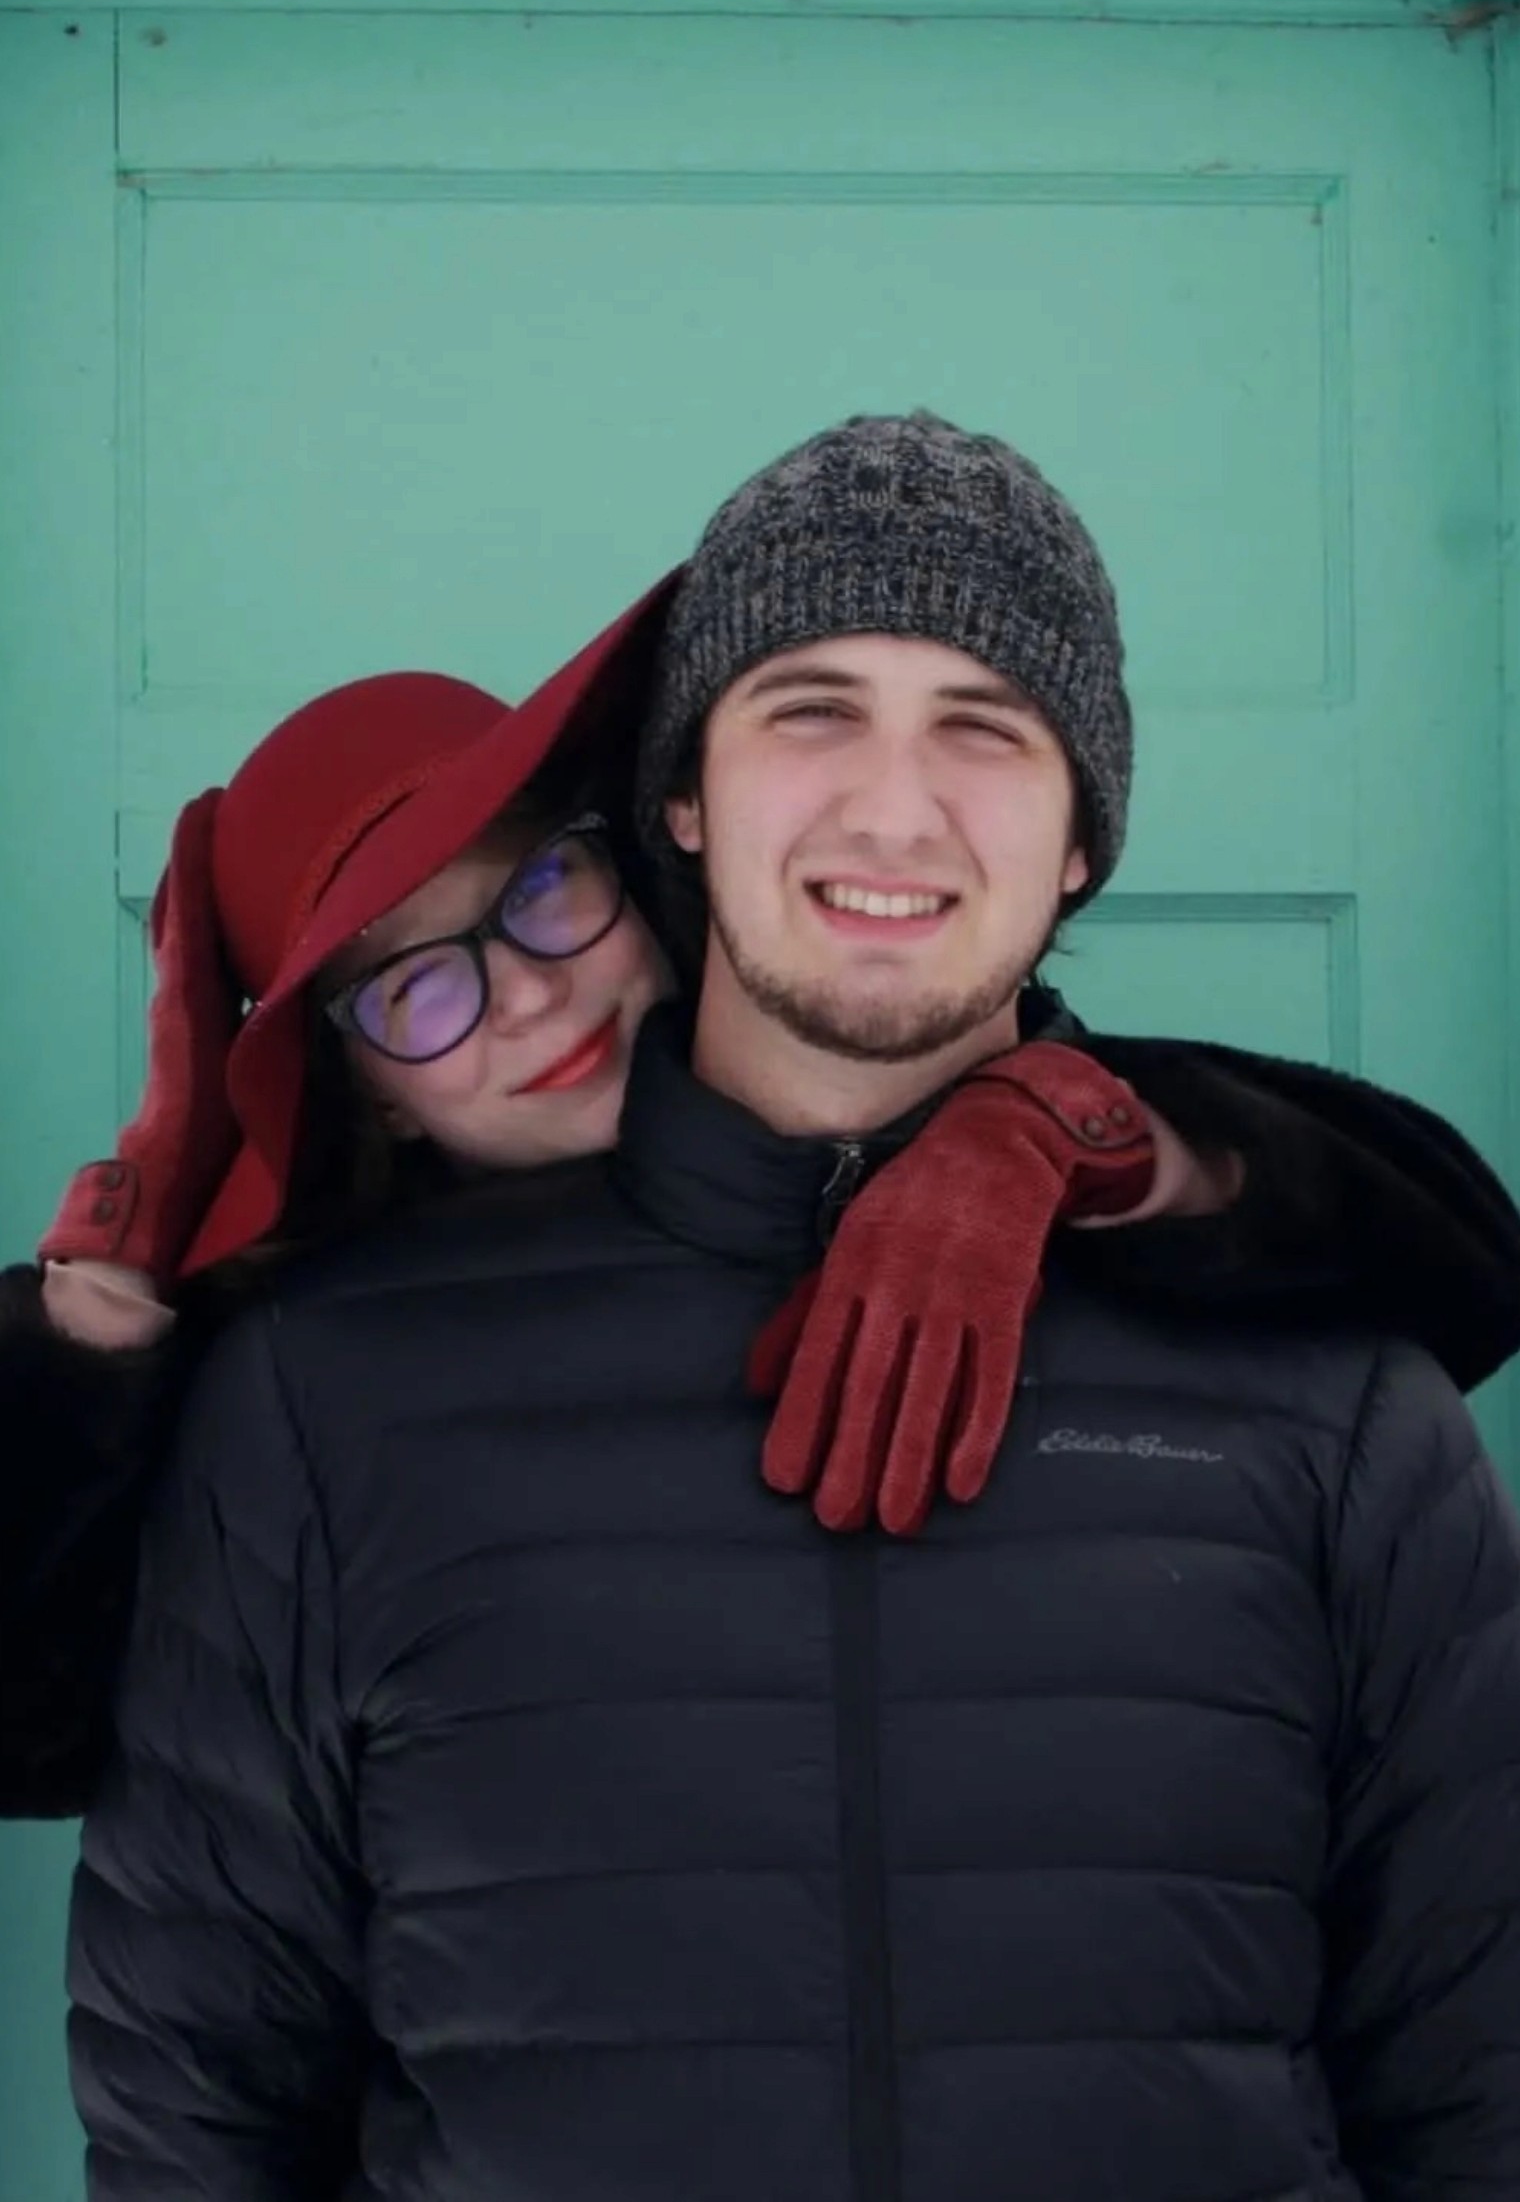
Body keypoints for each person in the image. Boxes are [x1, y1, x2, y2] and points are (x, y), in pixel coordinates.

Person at [62, 415, 1520, 2199]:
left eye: (986, 727)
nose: (892, 809)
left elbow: (1483, 2092)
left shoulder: (1339, 1392)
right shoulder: (318, 1405)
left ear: (1082, 841)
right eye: (810, 707)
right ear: (682, 797)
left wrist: (1060, 1138)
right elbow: (190, 2112)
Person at [7, 586, 1517, 1833]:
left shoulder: (874, 1094)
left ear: (632, 860)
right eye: (414, 986)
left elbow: (1457, 1250)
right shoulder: (310, 1382)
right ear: (370, 1088)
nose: (526, 995)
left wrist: (1052, 1121)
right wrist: (105, 1298)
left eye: (540, 892)